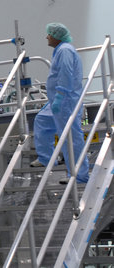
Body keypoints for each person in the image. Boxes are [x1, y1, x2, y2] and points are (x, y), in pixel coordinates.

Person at [32, 23, 89, 184]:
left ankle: (79, 175)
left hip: (66, 100)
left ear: (56, 36)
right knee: (42, 120)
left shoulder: (65, 51)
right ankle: (46, 158)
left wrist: (60, 95)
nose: (47, 37)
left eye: (49, 34)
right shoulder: (60, 50)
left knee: (71, 137)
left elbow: (66, 73)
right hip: (57, 100)